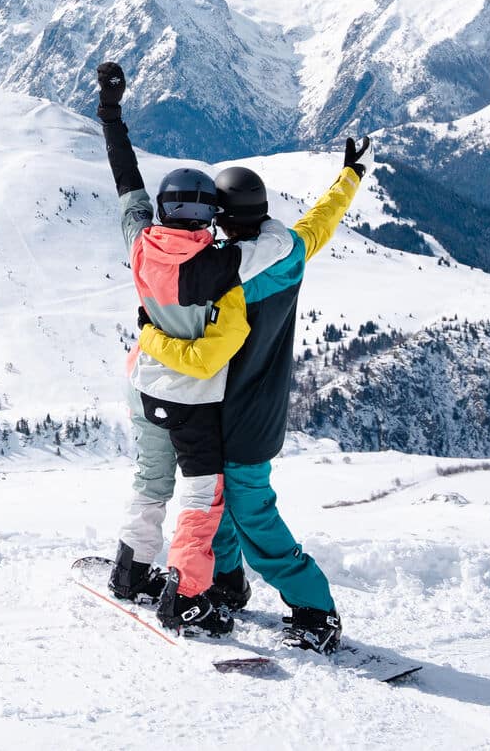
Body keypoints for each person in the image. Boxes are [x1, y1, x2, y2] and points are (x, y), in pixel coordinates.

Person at [135, 124, 371, 655]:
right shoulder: (287, 248)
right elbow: (320, 222)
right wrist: (350, 176)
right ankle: (226, 582)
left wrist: (149, 328)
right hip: (246, 405)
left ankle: (316, 608)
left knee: (251, 511)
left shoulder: (232, 272)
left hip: (243, 411)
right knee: (216, 498)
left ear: (224, 219)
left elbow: (179, 284)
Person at [95, 61, 292, 634]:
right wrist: (249, 223)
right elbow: (277, 245)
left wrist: (112, 111)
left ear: (162, 209)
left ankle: (130, 573)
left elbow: (125, 177)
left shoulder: (139, 240)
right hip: (193, 401)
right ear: (209, 216)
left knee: (150, 484)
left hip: (143, 385)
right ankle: (186, 595)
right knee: (203, 498)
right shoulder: (221, 264)